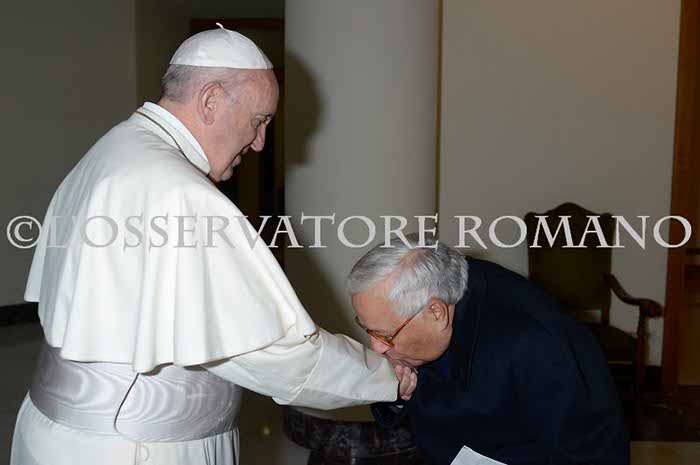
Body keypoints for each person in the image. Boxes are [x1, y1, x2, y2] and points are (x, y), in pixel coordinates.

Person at [11, 25, 416, 465]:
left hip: (60, 433)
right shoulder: (181, 194)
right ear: (210, 100)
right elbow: (277, 356)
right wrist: (385, 376)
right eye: (258, 121)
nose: (259, 143)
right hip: (136, 449)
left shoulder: (113, 149)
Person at [347, 233, 629, 465]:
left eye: (384, 335)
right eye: (368, 330)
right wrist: (397, 393)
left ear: (436, 313)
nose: (377, 348)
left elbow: (590, 454)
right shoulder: (432, 297)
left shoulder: (536, 342)